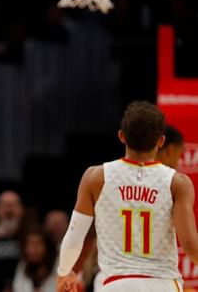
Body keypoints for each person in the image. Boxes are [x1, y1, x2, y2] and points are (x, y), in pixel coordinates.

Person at [56, 100, 198, 292]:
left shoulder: (95, 177)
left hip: (115, 284)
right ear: (161, 141)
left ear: (122, 136)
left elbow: (74, 236)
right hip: (162, 283)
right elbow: (190, 245)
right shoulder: (177, 183)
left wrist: (64, 271)